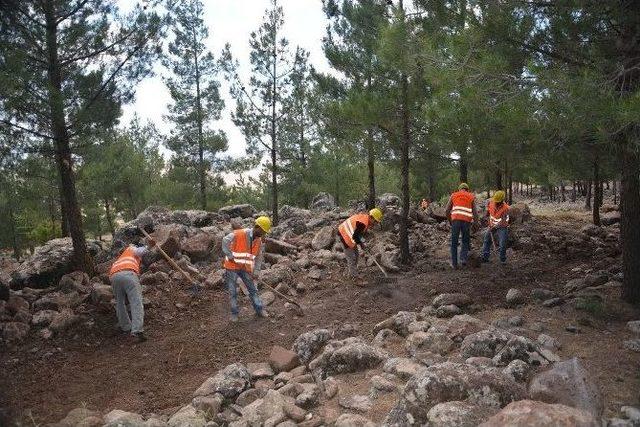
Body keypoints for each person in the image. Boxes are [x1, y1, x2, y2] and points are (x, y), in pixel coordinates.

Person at [222, 216, 271, 322]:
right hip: (232, 267)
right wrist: (230, 256)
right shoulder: (240, 233)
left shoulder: (258, 241)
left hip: (245, 269)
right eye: (263, 231)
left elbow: (258, 257)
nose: (263, 234)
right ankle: (234, 314)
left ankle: (259, 310)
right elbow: (225, 240)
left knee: (253, 290)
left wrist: (256, 271)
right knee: (232, 292)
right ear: (257, 227)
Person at [109, 237, 156, 342]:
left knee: (119, 303)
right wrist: (149, 246)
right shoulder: (131, 248)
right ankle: (137, 331)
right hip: (128, 273)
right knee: (136, 301)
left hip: (114, 276)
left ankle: (126, 327)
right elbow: (140, 251)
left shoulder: (121, 257)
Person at [338, 208, 383, 281]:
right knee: (352, 257)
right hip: (344, 235)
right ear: (371, 217)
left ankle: (352, 272)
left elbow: (358, 234)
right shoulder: (363, 222)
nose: (375, 223)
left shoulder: (365, 219)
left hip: (349, 234)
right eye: (375, 221)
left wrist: (362, 244)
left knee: (356, 254)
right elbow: (356, 236)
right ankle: (354, 277)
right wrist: (362, 245)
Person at [445, 183, 478, 268]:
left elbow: (447, 210)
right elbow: (475, 213)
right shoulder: (471, 196)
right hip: (466, 221)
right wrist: (475, 223)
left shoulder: (454, 195)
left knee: (454, 242)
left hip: (455, 220)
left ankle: (454, 264)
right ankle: (463, 259)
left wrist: (450, 221)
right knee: (465, 240)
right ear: (467, 189)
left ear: (459, 189)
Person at [482, 190, 510, 264]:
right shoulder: (491, 202)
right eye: (496, 201)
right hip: (491, 225)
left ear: (502, 201)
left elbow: (504, 221)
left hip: (502, 227)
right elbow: (487, 212)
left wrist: (495, 227)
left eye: (498, 202)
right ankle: (485, 257)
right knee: (487, 240)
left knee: (503, 243)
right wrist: (486, 216)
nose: (496, 203)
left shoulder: (506, 208)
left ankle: (502, 259)